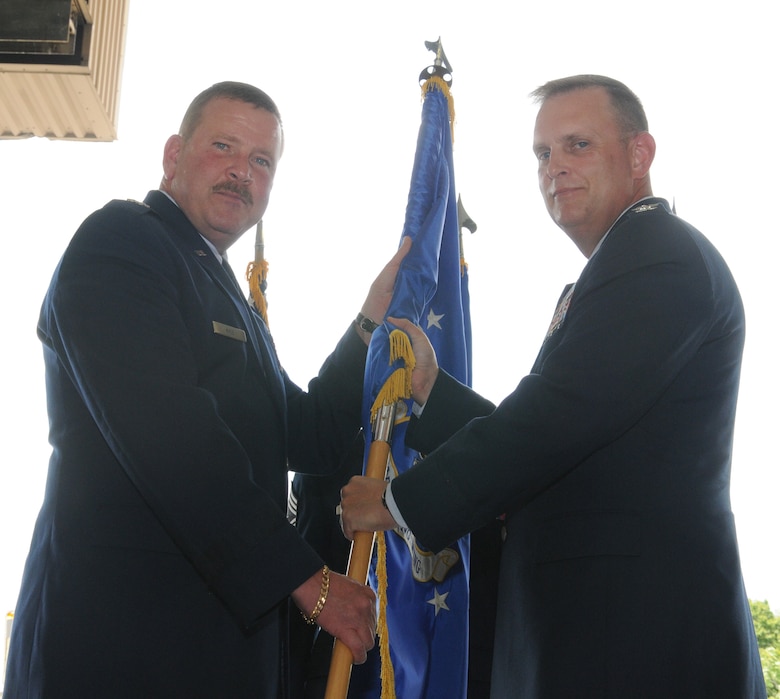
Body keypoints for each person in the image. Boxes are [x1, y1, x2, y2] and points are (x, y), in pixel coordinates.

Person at [340, 75, 767, 698]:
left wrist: (399, 503)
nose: (555, 168)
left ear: (639, 155)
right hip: (597, 637)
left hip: (638, 643)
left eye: (578, 145)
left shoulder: (659, 254)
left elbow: (555, 421)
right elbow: (567, 448)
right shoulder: (616, 268)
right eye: (543, 154)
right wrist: (435, 390)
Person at [3, 81, 412, 699]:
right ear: (173, 155)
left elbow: (309, 434)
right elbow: (170, 437)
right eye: (223, 146)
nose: (240, 172)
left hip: (213, 655)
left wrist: (368, 323)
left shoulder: (223, 291)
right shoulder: (121, 243)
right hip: (122, 648)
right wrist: (309, 580)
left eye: (261, 161)